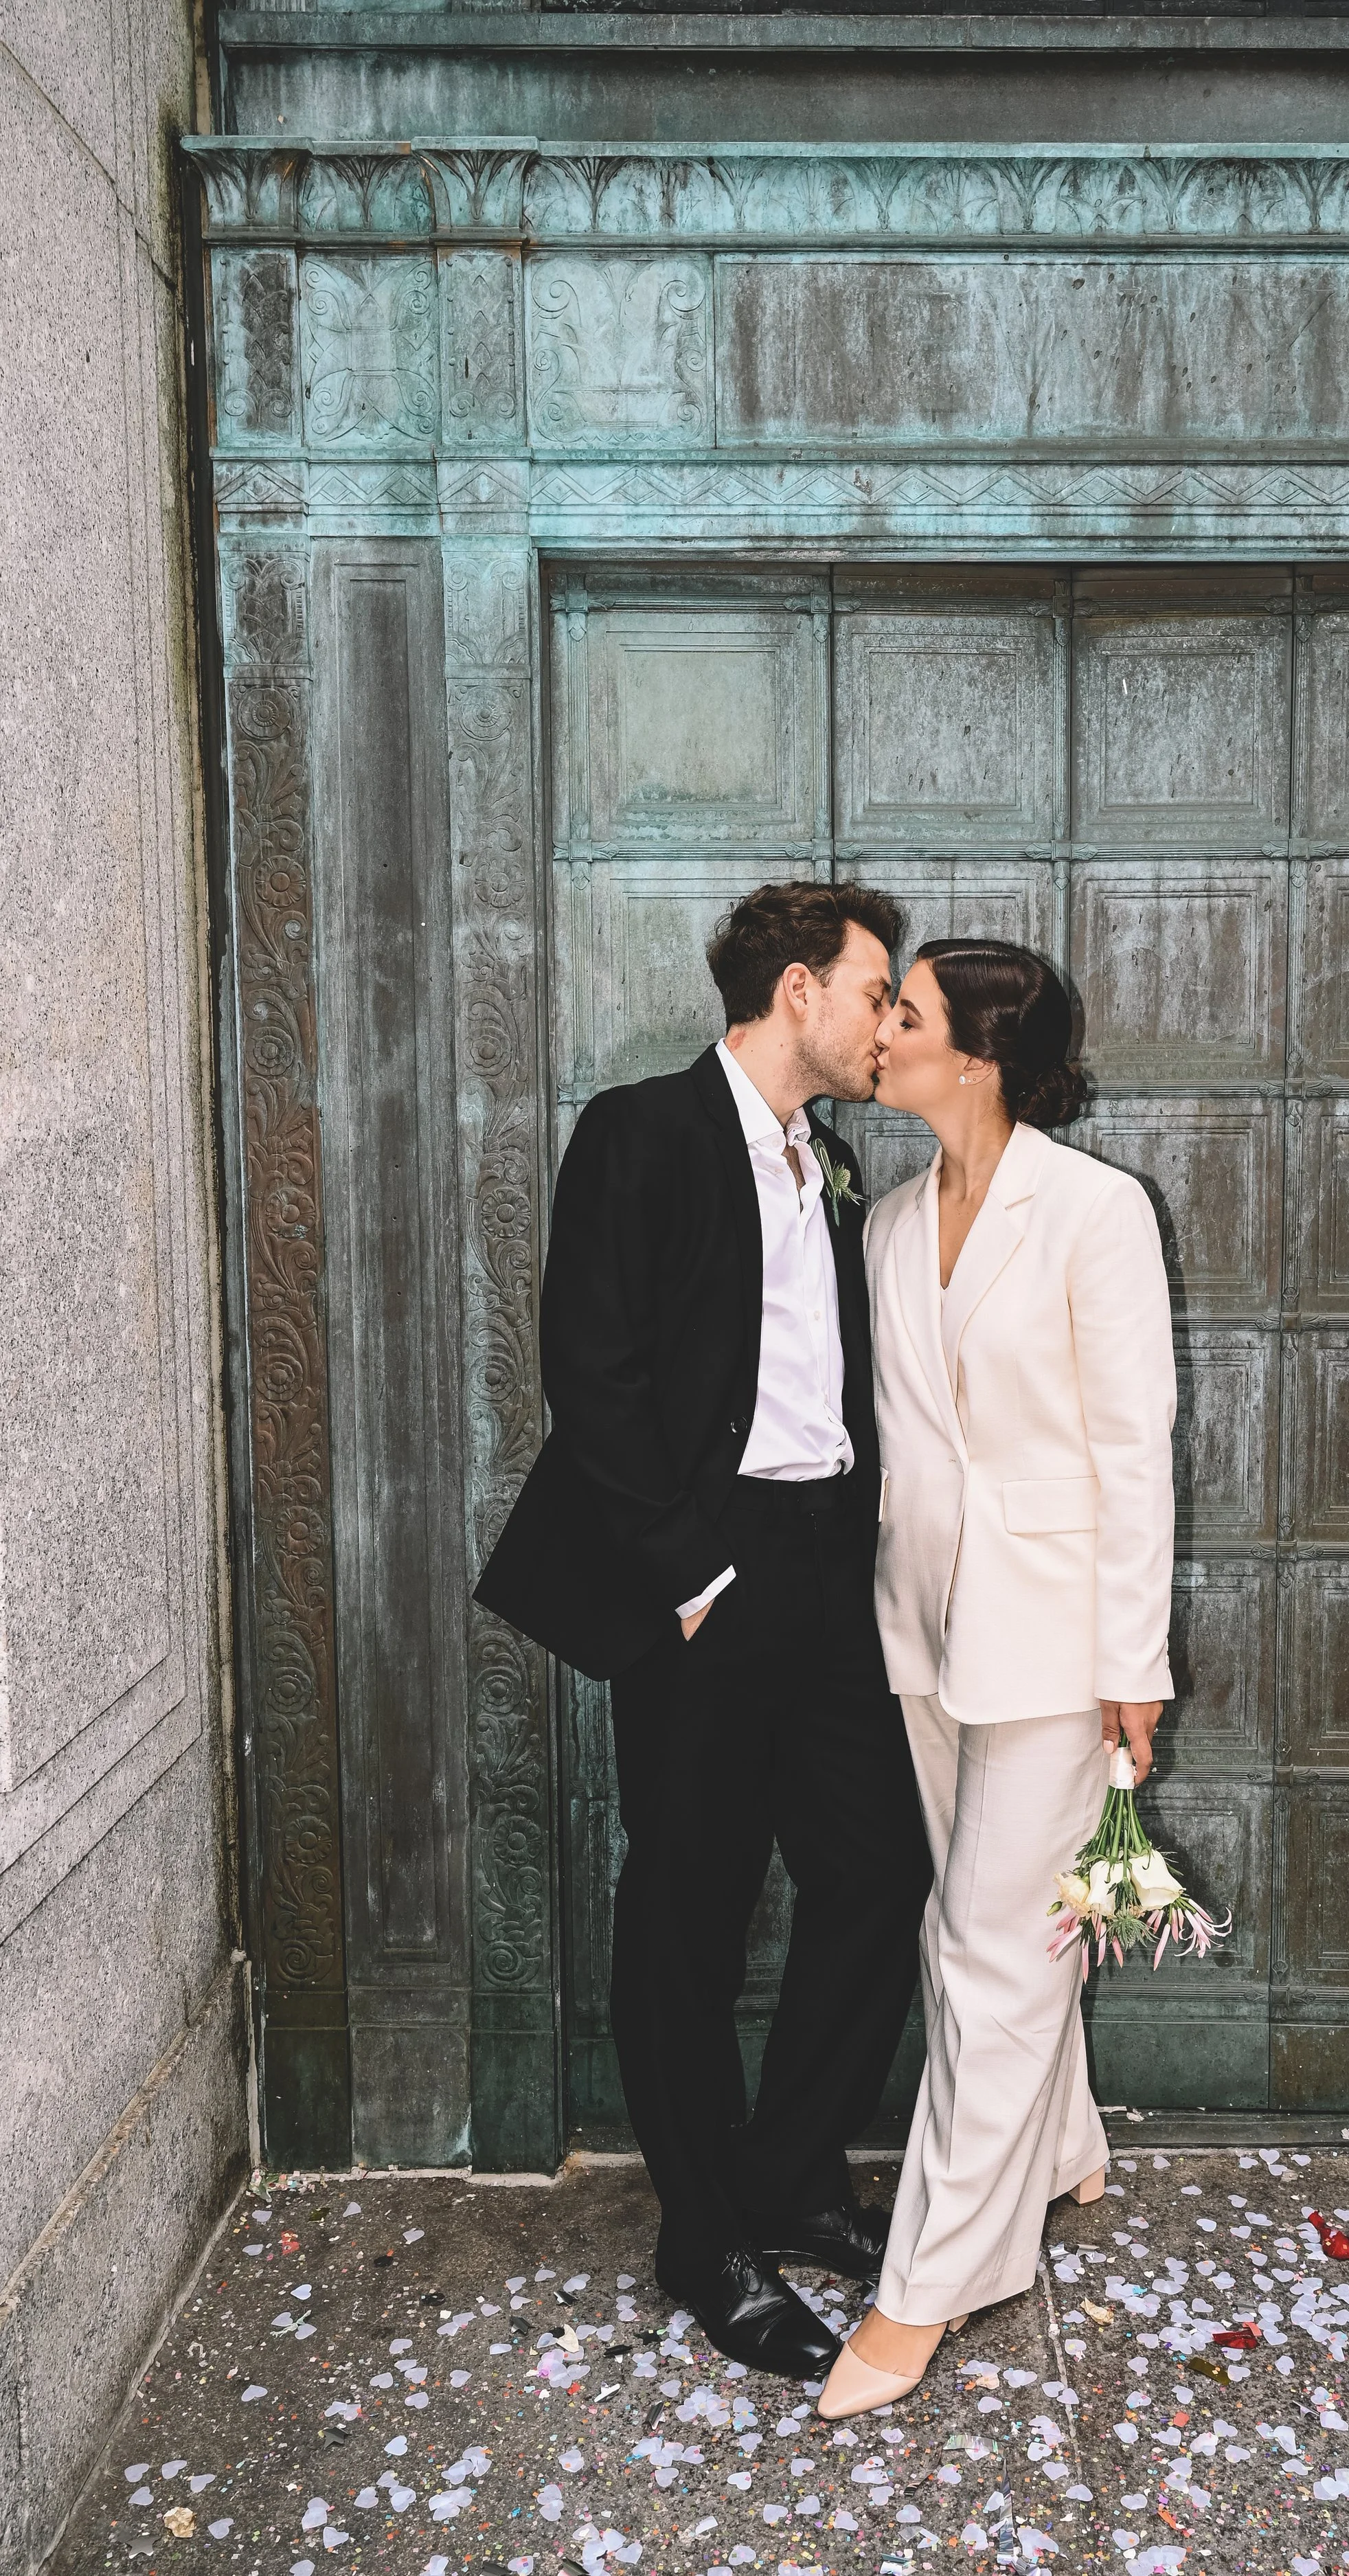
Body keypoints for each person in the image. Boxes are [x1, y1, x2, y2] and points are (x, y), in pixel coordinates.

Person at [477, 881, 932, 2379]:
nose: (888, 1022)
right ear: (795, 992)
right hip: (706, 1570)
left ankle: (786, 2174)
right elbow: (589, 1371)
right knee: (687, 1901)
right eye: (874, 991)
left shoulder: (836, 1162)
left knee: (876, 1868)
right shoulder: (642, 1134)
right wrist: (690, 1573)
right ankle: (700, 2234)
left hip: (820, 1567)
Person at [817, 937, 1177, 2420]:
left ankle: (931, 2286)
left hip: (1052, 1638)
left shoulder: (1095, 1213)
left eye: (901, 1015)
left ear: (975, 1054)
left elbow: (1129, 1448)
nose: (878, 1033)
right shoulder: (891, 1221)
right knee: (996, 1927)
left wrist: (1129, 1664)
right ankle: (1063, 2147)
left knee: (980, 1945)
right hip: (925, 1625)